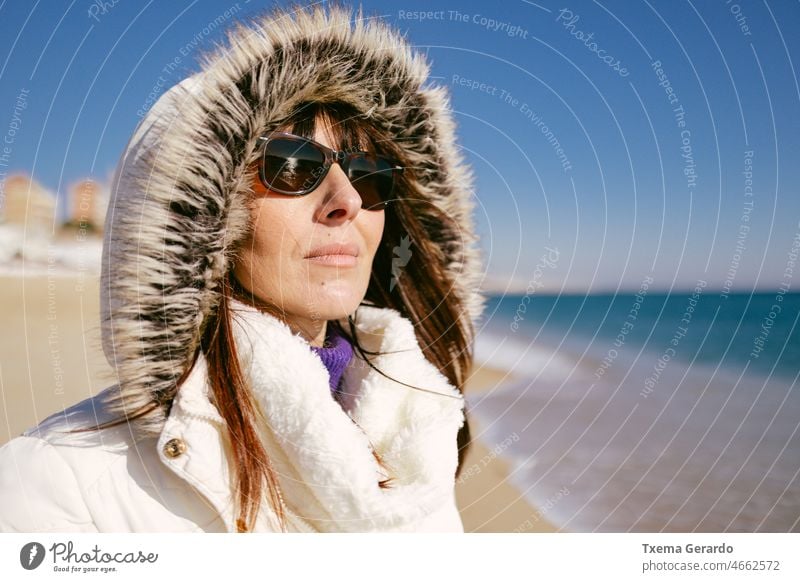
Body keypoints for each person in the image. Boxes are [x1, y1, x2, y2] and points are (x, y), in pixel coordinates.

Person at [0, 3, 485, 533]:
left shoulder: (415, 430)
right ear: (198, 217)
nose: (346, 199)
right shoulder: (58, 482)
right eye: (293, 164)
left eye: (369, 175)